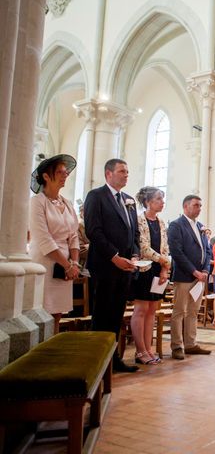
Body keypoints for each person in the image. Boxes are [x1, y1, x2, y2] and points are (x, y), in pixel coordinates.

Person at [84, 158, 140, 372]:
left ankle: (114, 359)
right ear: (108, 174)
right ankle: (96, 361)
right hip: (105, 266)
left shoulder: (129, 200)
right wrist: (115, 257)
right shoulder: (96, 196)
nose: (126, 175)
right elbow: (93, 231)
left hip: (125, 267)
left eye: (127, 171)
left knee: (116, 315)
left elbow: (134, 233)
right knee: (102, 315)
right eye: (122, 171)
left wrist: (134, 256)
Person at [28, 154, 81, 333]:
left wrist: (74, 262)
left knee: (57, 312)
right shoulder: (37, 202)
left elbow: (73, 235)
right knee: (43, 311)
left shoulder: (67, 203)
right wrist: (67, 265)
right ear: (46, 176)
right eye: (60, 172)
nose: (65, 175)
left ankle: (53, 351)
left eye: (66, 172)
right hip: (45, 260)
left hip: (65, 264)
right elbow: (43, 238)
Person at [167, 195, 212, 359]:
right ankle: (177, 346)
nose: (199, 208)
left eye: (200, 205)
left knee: (193, 311)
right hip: (185, 276)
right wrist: (195, 272)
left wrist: (206, 271)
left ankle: (191, 344)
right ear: (186, 206)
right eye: (196, 205)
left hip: (200, 277)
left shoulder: (200, 226)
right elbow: (176, 252)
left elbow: (208, 251)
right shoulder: (176, 225)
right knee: (179, 312)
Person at [130, 187, 171, 365]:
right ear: (148, 202)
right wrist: (163, 261)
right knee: (141, 310)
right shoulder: (139, 220)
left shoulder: (161, 222)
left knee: (152, 311)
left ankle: (149, 349)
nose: (162, 202)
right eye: (159, 199)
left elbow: (165, 248)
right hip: (144, 268)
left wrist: (164, 269)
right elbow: (144, 247)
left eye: (162, 199)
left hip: (158, 270)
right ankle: (140, 351)